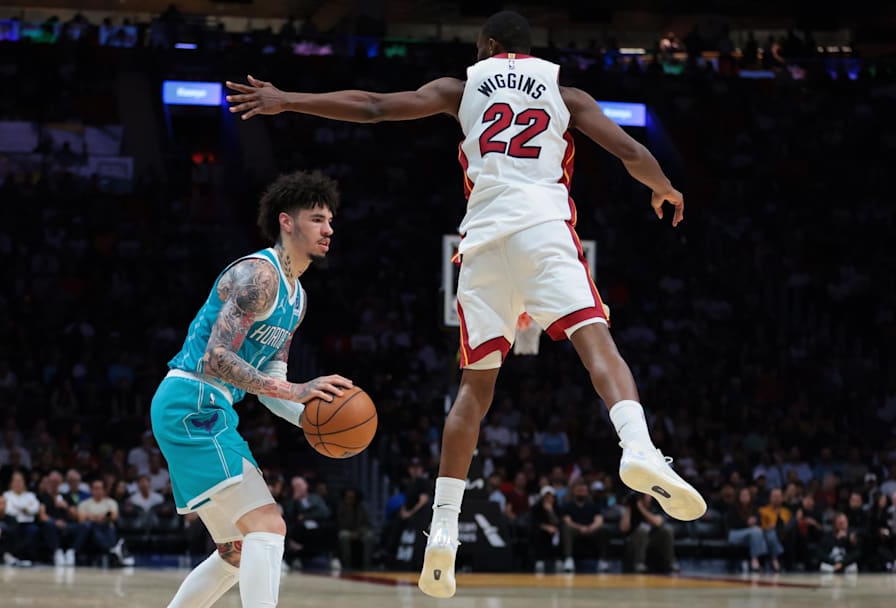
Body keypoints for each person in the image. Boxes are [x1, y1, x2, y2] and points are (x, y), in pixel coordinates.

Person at [225, 9, 705, 597]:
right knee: (595, 342)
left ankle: (442, 531)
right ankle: (639, 447)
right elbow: (630, 151)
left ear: (490, 46)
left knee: (474, 389)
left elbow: (375, 106)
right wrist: (663, 187)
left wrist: (287, 99)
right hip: (544, 228)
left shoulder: (461, 87)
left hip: (481, 246)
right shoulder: (565, 91)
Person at [151, 171, 350, 608]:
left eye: (330, 220)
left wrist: (311, 419)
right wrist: (299, 390)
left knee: (238, 551)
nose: (329, 228)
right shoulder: (259, 277)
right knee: (268, 525)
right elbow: (216, 358)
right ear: (287, 222)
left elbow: (270, 387)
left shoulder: (297, 298)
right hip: (194, 399)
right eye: (317, 218)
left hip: (206, 405)